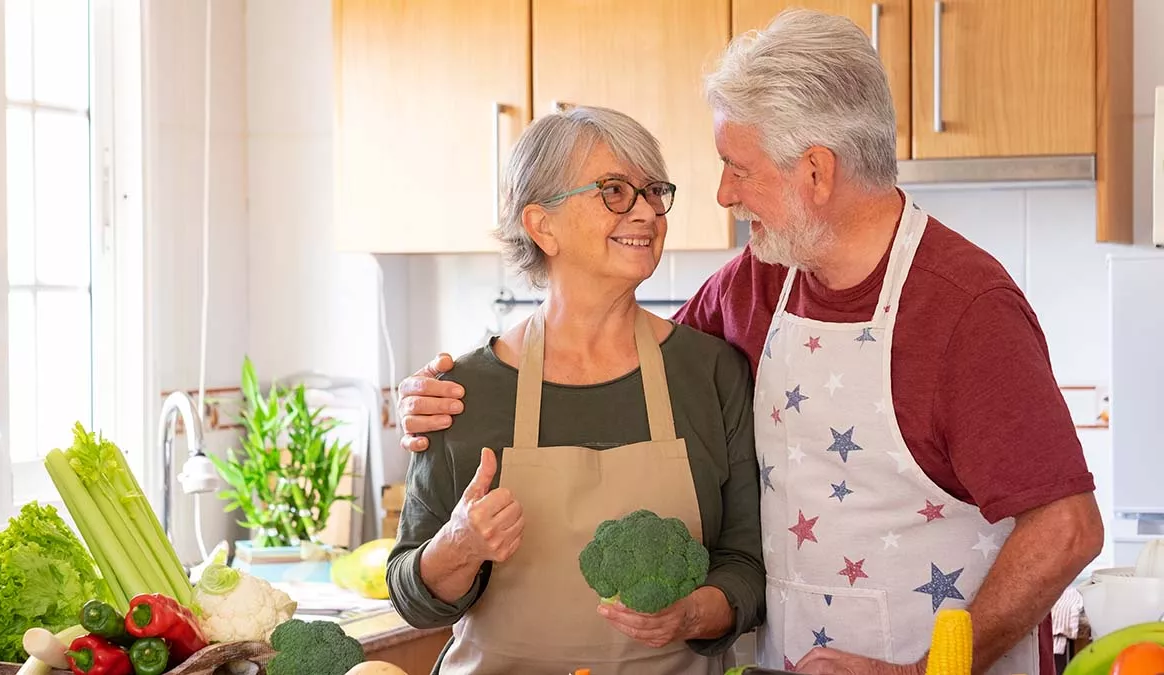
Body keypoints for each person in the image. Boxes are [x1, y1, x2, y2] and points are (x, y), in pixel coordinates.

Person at [395, 9, 1105, 675]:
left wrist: (928, 671)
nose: (723, 195)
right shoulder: (750, 290)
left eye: (739, 167)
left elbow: (1068, 528)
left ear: (817, 174)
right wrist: (433, 395)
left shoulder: (965, 307)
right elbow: (618, 352)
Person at [384, 104, 768, 675]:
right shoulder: (460, 393)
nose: (646, 213)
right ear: (542, 226)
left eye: (653, 191)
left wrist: (690, 615)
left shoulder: (710, 373)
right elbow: (410, 594)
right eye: (614, 190)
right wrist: (460, 546)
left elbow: (746, 565)